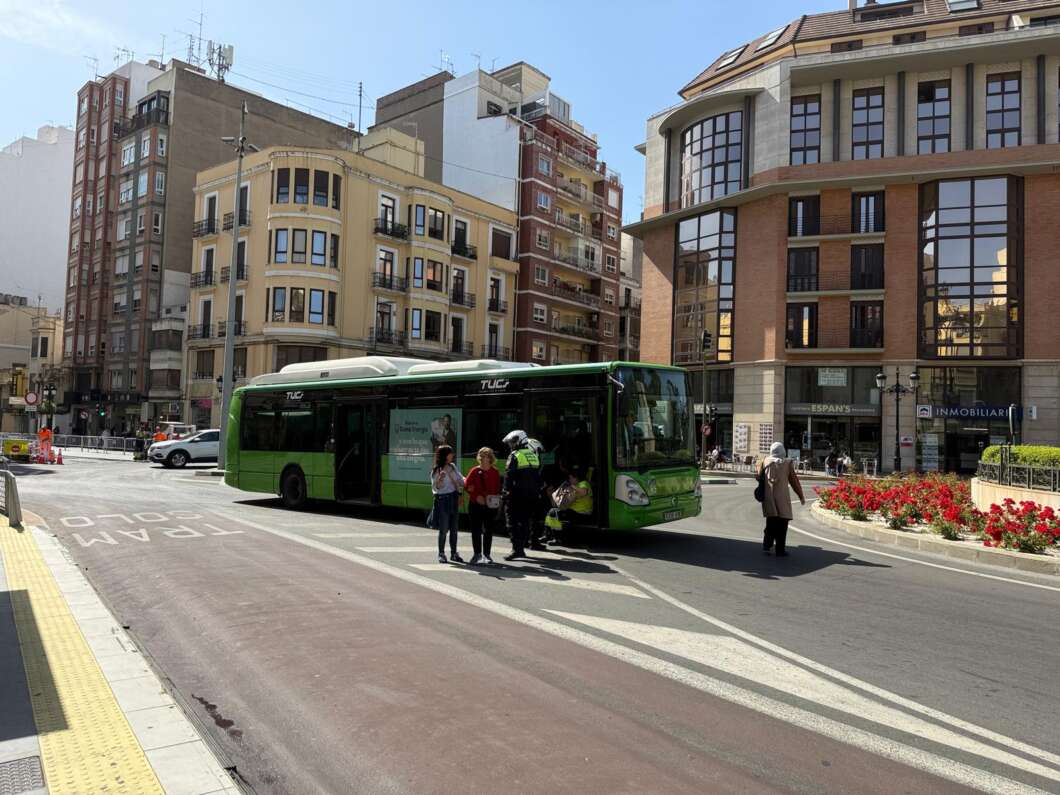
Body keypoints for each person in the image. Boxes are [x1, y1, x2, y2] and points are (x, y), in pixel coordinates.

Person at [758, 441, 805, 557]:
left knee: (770, 523)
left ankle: (766, 545)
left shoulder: (764, 462)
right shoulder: (787, 463)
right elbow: (794, 482)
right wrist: (801, 496)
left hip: (769, 499)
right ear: (782, 451)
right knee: (782, 525)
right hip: (782, 499)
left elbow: (758, 477)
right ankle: (780, 550)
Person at [501, 429, 541, 561]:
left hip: (516, 495)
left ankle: (517, 549)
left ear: (519, 441)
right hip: (532, 495)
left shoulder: (515, 455)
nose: (511, 445)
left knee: (512, 522)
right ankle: (521, 547)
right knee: (524, 522)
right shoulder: (532, 455)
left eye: (513, 442)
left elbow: (508, 476)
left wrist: (505, 492)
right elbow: (536, 476)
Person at [465, 447, 502, 565]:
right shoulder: (474, 471)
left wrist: (493, 500)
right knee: (475, 530)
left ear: (490, 458)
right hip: (475, 505)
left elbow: (497, 489)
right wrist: (476, 496)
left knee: (488, 531)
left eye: (485, 455)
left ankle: (487, 554)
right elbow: (467, 486)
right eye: (480, 455)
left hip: (490, 506)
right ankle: (477, 554)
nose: (481, 457)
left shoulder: (495, 472)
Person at [430, 444, 464, 564]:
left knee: (454, 529)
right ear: (445, 455)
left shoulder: (452, 467)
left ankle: (454, 553)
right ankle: (441, 553)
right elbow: (436, 488)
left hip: (453, 499)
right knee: (444, 529)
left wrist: (470, 481)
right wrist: (440, 479)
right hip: (443, 500)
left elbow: (461, 480)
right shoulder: (437, 470)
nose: (452, 455)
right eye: (450, 453)